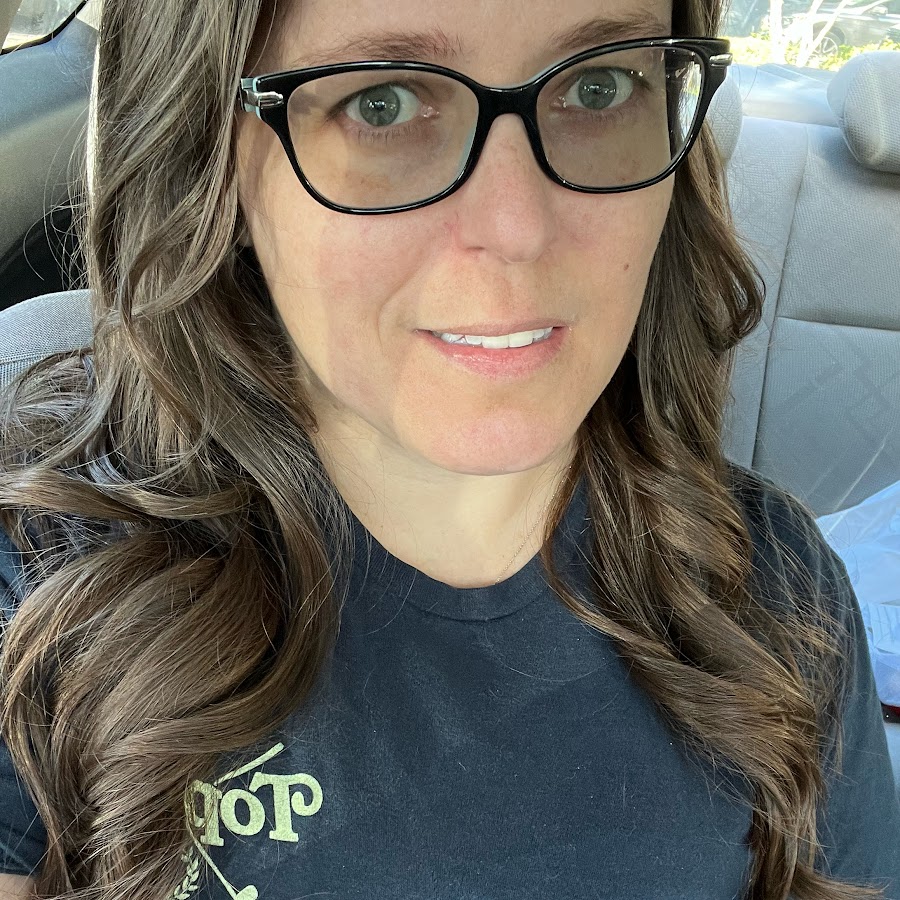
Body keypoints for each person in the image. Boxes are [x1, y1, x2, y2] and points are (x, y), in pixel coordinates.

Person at [0, 0, 898, 896]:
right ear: (213, 163)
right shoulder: (44, 592)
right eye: (382, 104)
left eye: (599, 87)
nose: (517, 229)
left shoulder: (775, 589)